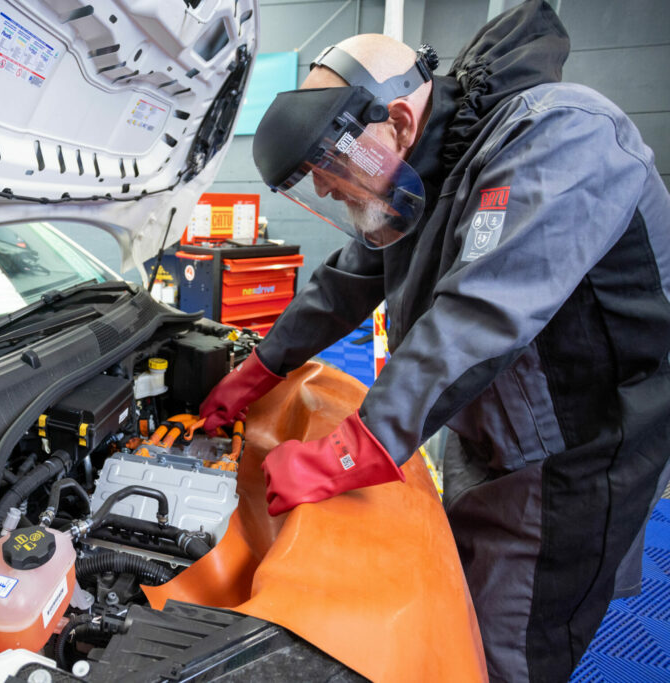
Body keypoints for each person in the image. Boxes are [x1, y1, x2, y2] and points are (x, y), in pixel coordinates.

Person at [197, 1, 670, 680]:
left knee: (508, 643)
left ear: (396, 121)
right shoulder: (422, 174)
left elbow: (481, 312)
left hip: (578, 450)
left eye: (332, 162)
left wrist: (353, 446)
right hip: (496, 422)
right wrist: (259, 369)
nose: (331, 187)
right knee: (457, 607)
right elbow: (345, 282)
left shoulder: (561, 134)